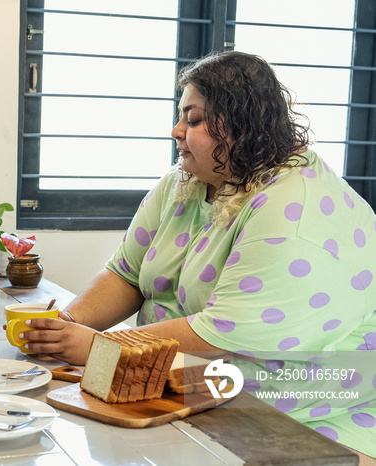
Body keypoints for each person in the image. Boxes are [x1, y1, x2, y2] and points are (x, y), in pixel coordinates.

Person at [21, 51, 376, 461]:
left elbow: (220, 335)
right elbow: (127, 273)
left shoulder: (295, 206)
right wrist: (67, 326)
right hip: (188, 386)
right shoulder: (184, 182)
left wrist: (102, 351)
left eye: (192, 119)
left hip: (303, 411)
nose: (176, 131)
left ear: (241, 125)